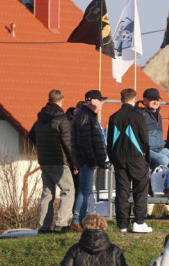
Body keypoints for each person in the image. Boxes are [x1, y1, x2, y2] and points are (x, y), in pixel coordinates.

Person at [29, 89, 78, 233]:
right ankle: (61, 224)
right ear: (62, 100)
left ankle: (44, 227)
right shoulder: (62, 120)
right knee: (68, 190)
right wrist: (74, 163)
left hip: (44, 161)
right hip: (59, 161)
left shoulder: (39, 119)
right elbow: (67, 144)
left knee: (47, 193)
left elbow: (31, 136)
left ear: (49, 100)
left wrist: (43, 148)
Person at [107, 88, 152, 233]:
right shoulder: (139, 116)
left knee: (122, 192)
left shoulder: (113, 117)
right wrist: (147, 159)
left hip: (119, 159)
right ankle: (138, 222)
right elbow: (145, 140)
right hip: (137, 158)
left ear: (121, 99)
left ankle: (122, 225)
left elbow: (109, 142)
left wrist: (113, 158)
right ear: (135, 99)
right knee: (140, 190)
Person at [70, 90, 109, 228]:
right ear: (93, 101)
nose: (102, 103)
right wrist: (92, 161)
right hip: (87, 161)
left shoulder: (88, 115)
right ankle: (77, 221)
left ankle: (78, 220)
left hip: (88, 160)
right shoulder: (85, 117)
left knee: (85, 191)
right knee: (84, 191)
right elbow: (85, 142)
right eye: (100, 100)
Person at [138, 87, 169, 170]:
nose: (156, 102)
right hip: (147, 150)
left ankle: (168, 180)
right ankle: (155, 181)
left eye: (157, 99)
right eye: (153, 100)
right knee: (163, 160)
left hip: (160, 149)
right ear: (145, 101)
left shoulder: (158, 115)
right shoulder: (140, 114)